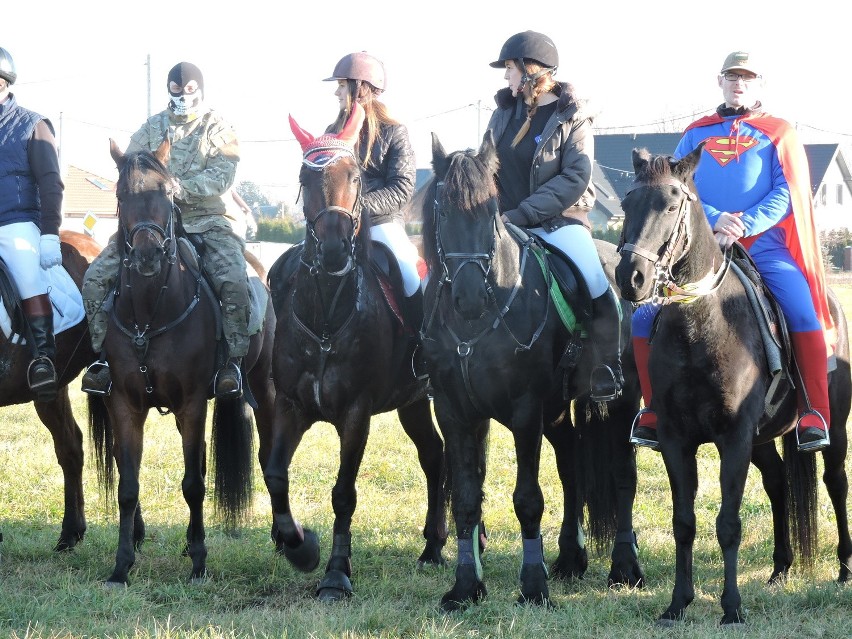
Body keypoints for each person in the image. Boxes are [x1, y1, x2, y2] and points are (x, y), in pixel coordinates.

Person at [630, 51, 834, 452]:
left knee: (802, 312)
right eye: (731, 76)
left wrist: (745, 223)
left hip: (764, 246)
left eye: (747, 77)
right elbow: (679, 188)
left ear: (758, 83)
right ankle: (653, 411)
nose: (738, 83)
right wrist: (716, 218)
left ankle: (814, 412)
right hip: (703, 246)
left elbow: (787, 192)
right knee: (642, 317)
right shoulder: (695, 133)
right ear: (719, 82)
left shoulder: (779, 133)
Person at [81, 61, 249, 398]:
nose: (183, 96)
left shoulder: (218, 129)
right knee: (95, 279)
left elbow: (223, 176)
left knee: (233, 280)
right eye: (177, 89)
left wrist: (179, 186)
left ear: (200, 90)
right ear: (169, 89)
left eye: (189, 90)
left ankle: (233, 363)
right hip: (152, 225)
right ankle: (101, 360)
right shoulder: (151, 128)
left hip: (207, 221)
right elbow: (131, 167)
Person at [486, 31, 623, 402]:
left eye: (510, 69)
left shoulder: (572, 117)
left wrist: (523, 213)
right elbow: (486, 167)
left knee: (596, 284)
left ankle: (606, 366)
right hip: (504, 224)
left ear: (532, 71)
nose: (505, 78)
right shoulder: (502, 115)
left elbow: (575, 177)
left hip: (559, 222)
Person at [323, 51, 425, 376]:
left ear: (362, 88)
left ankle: (421, 352)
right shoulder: (331, 132)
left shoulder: (394, 132)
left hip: (381, 226)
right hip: (336, 226)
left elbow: (402, 188)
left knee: (410, 278)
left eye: (342, 86)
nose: (337, 92)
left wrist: (356, 211)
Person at [0, 46, 64, 401]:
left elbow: (50, 181)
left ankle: (44, 356)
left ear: (5, 84)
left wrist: (51, 233)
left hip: (16, 221)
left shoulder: (32, 125)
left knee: (26, 269)